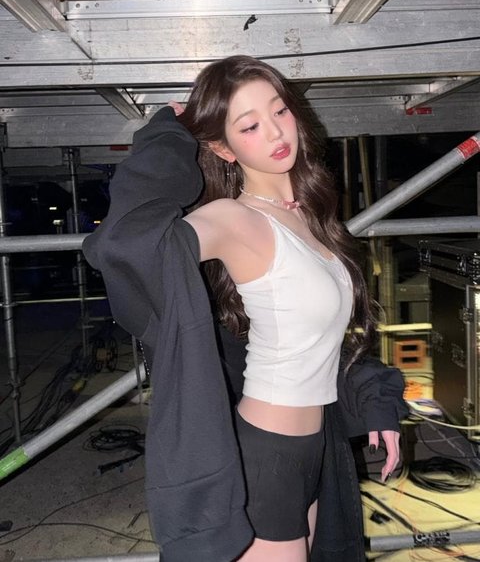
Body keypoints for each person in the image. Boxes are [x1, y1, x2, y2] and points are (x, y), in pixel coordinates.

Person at [83, 55, 405, 562]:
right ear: (222, 147)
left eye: (280, 111)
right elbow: (128, 243)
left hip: (317, 446)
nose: (276, 132)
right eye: (250, 126)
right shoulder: (234, 220)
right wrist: (166, 138)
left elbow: (318, 338)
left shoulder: (309, 216)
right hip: (268, 453)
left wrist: (374, 399)